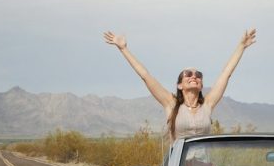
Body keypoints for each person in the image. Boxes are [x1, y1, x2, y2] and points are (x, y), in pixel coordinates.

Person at [103, 29, 257, 141]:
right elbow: (145, 75)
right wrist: (123, 49)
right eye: (188, 74)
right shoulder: (171, 104)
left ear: (201, 84)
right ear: (179, 85)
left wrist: (241, 47)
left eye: (198, 75)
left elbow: (226, 74)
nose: (194, 76)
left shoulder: (207, 105)